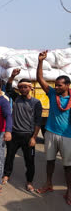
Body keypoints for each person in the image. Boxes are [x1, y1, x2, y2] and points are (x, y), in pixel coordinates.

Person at [36, 51, 71, 206]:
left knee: (68, 166)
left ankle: (69, 190)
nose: (56, 87)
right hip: (50, 133)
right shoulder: (51, 94)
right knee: (49, 161)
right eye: (55, 85)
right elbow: (40, 79)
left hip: (67, 136)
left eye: (59, 85)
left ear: (67, 85)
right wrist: (40, 62)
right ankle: (48, 184)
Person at [2, 68, 42, 191]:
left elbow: (38, 121)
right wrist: (13, 76)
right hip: (14, 134)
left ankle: (29, 181)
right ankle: (6, 175)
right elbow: (8, 88)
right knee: (9, 157)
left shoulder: (36, 103)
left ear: (30, 88)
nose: (23, 89)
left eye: (26, 87)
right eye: (21, 87)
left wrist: (34, 137)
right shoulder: (17, 98)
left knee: (29, 161)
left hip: (28, 136)